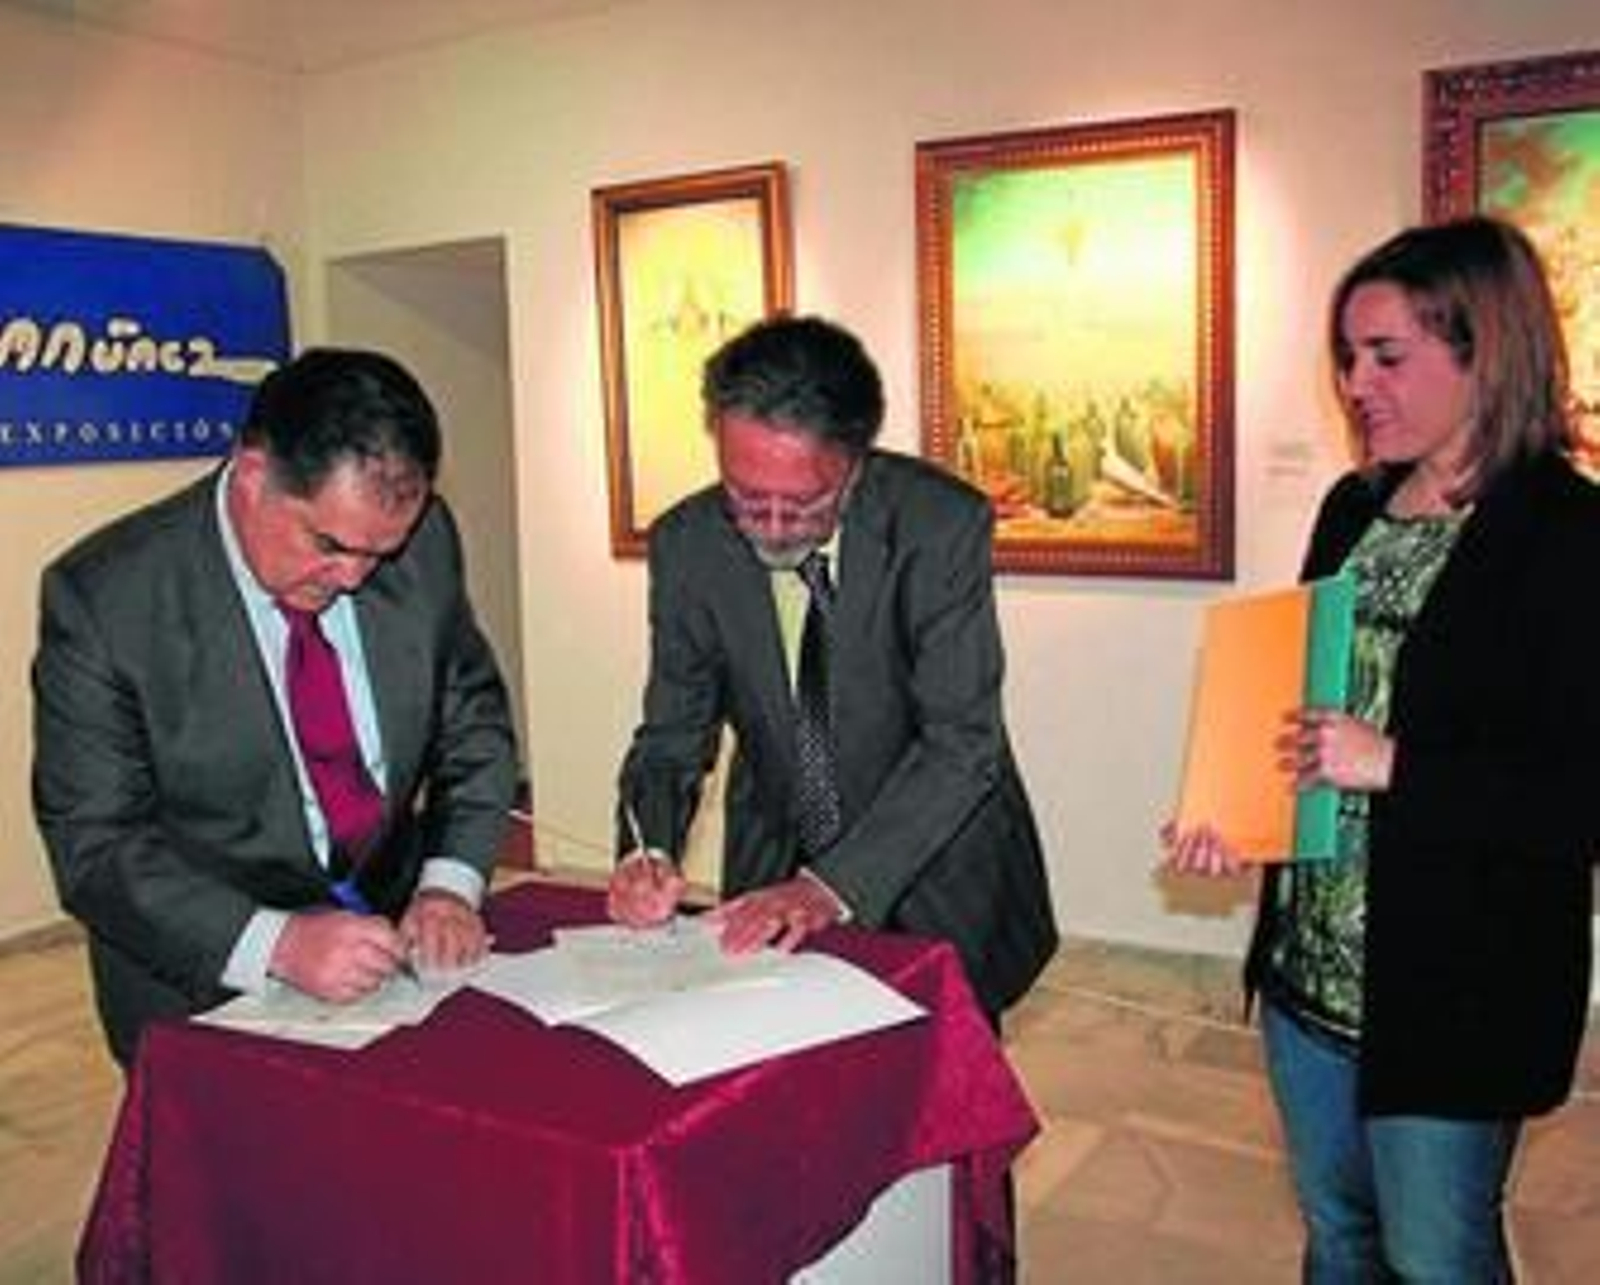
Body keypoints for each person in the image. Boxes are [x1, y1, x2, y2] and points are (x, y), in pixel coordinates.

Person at [1165, 217, 1600, 1282]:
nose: (1357, 383)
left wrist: (1397, 764)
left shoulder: (1569, 534)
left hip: (1456, 988)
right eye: (1346, 357)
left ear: (1484, 349)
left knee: (1437, 1257)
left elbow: (1580, 797)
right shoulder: (1353, 504)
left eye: (1387, 356)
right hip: (1310, 971)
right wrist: (1239, 811)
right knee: (1339, 1239)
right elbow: (1308, 706)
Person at [33, 347, 518, 1066]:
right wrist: (278, 942)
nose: (353, 577)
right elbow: (96, 844)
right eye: (329, 543)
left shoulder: (419, 544)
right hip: (200, 978)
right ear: (254, 475)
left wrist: (448, 885)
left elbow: (471, 722)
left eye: (379, 552)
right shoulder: (109, 597)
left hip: (391, 960)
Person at [607, 314, 1058, 1021]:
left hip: (932, 853)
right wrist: (647, 845)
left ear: (855, 462)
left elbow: (962, 742)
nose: (775, 527)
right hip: (776, 846)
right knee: (781, 1077)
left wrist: (832, 885)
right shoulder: (688, 544)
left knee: (936, 1087)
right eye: (747, 498)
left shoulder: (939, 525)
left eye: (805, 504)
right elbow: (672, 732)